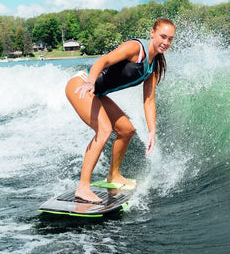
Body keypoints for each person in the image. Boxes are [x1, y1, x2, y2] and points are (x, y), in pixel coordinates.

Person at [65, 17, 176, 203]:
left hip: (97, 93)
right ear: (152, 33)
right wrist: (91, 82)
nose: (166, 42)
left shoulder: (153, 66)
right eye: (163, 36)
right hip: (81, 85)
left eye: (170, 39)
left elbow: (149, 100)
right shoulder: (135, 48)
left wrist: (152, 130)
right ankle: (83, 187)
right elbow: (103, 61)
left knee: (126, 130)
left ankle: (114, 176)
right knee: (104, 130)